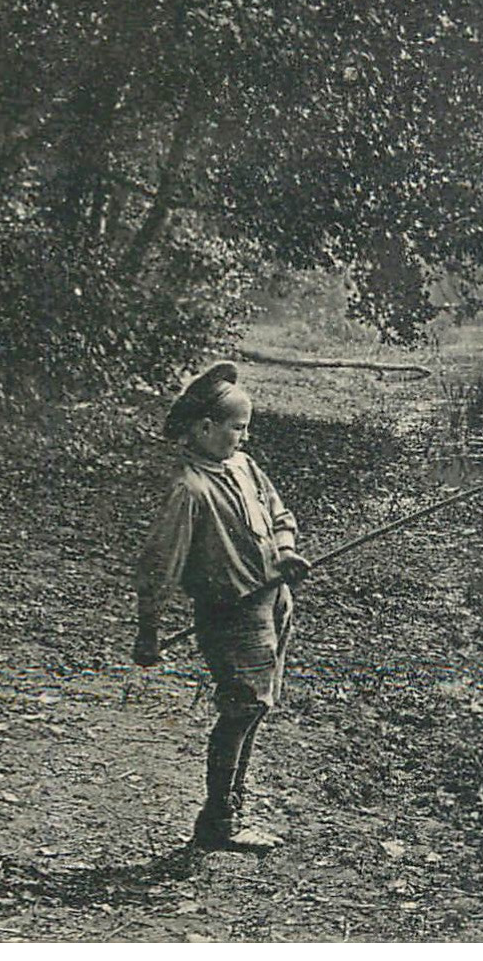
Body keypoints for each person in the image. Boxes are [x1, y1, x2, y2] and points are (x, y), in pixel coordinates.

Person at [132, 361, 311, 851]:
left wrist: (287, 550)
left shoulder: (244, 467)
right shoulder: (189, 490)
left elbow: (278, 513)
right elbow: (159, 567)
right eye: (237, 428)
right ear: (206, 428)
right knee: (242, 708)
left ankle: (232, 806)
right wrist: (149, 631)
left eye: (247, 428)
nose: (244, 438)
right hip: (230, 615)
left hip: (274, 601)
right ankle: (219, 820)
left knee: (257, 708)